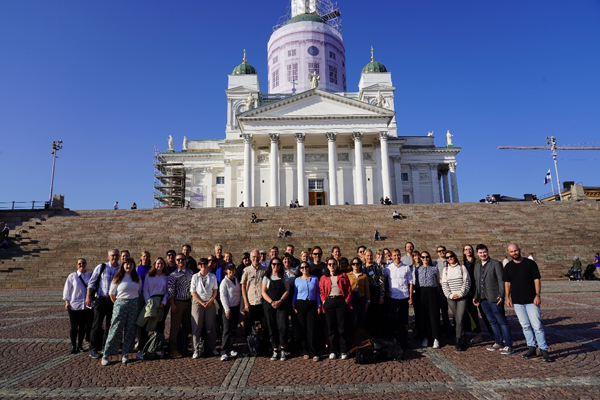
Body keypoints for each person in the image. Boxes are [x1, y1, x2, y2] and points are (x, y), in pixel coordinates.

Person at [504, 244, 553, 362]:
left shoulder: (530, 264)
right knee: (525, 326)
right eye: (511, 251)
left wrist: (538, 295)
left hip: (531, 300)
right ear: (509, 253)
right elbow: (507, 283)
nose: (514, 253)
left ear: (519, 250)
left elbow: (537, 280)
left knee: (537, 326)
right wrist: (507, 297)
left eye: (515, 250)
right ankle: (531, 348)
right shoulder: (508, 266)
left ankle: (543, 349)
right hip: (517, 301)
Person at [473, 244, 514, 355]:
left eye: (484, 252)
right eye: (480, 253)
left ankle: (509, 345)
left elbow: (501, 280)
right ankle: (498, 342)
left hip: (494, 298)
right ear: (477, 254)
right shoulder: (477, 266)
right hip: (482, 299)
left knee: (502, 321)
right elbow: (477, 283)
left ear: (488, 252)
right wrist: (475, 296)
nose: (483, 254)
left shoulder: (496, 263)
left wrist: (502, 295)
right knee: (492, 321)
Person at [101, 258, 141, 365]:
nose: (129, 266)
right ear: (123, 266)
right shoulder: (118, 277)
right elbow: (111, 294)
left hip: (133, 304)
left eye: (131, 264)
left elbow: (139, 291)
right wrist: (118, 303)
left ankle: (125, 353)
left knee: (130, 330)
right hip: (120, 303)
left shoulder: (137, 278)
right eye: (127, 264)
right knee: (115, 329)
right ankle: (107, 354)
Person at [86, 249, 120, 359]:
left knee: (110, 325)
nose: (114, 257)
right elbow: (91, 282)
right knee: (97, 324)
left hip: (113, 300)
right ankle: (93, 348)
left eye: (116, 255)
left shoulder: (121, 269)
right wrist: (88, 296)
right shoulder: (102, 267)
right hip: (101, 299)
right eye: (112, 255)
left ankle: (106, 347)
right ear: (108, 256)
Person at [319, 256, 352, 360]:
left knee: (342, 327)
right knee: (331, 327)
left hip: (341, 301)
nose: (332, 266)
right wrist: (324, 300)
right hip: (329, 301)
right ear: (327, 266)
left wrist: (346, 300)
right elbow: (321, 290)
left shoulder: (343, 275)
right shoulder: (324, 277)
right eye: (330, 264)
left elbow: (349, 289)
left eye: (333, 264)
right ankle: (333, 350)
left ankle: (343, 350)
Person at [137, 257, 169, 357]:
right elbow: (145, 289)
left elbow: (168, 291)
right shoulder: (149, 276)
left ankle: (157, 348)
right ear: (155, 265)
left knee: (159, 324)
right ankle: (141, 348)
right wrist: (148, 302)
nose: (160, 265)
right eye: (158, 263)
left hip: (161, 301)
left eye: (162, 264)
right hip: (150, 301)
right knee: (145, 323)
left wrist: (163, 302)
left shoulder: (166, 277)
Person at [261, 256, 290, 361]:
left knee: (283, 326)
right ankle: (274, 349)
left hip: (281, 304)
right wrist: (272, 302)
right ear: (271, 265)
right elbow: (263, 291)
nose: (276, 266)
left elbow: (287, 290)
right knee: (271, 326)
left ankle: (283, 348)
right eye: (274, 264)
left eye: (278, 264)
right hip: (269, 305)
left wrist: (280, 301)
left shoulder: (284, 276)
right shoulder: (267, 277)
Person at [442, 250, 470, 351]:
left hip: (462, 296)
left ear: (455, 256)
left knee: (460, 318)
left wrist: (460, 293)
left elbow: (467, 282)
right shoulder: (445, 270)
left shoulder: (462, 268)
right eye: (447, 258)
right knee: (458, 319)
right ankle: (463, 337)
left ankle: (458, 340)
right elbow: (445, 285)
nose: (450, 259)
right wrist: (450, 295)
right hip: (451, 298)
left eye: (451, 256)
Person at [384, 249, 413, 349]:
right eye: (394, 255)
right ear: (391, 257)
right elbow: (382, 281)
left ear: (400, 255)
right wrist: (385, 292)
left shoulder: (406, 268)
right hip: (393, 297)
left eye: (398, 255)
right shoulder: (387, 268)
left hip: (404, 296)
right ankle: (392, 340)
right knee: (392, 319)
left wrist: (410, 297)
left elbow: (410, 282)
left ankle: (403, 341)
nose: (396, 257)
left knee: (404, 320)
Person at [190, 258, 219, 358]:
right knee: (196, 325)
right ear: (198, 266)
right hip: (198, 302)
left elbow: (215, 290)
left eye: (205, 264)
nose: (203, 266)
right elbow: (193, 292)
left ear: (208, 265)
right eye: (201, 264)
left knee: (210, 326)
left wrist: (209, 301)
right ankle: (196, 349)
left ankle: (212, 347)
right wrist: (201, 302)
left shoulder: (212, 276)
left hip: (210, 302)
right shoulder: (195, 277)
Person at [167, 253, 194, 358]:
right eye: (178, 260)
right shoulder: (173, 275)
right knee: (175, 327)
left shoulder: (190, 273)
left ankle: (183, 346)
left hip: (188, 303)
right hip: (178, 303)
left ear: (185, 260)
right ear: (176, 262)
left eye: (182, 259)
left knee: (186, 327)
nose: (180, 261)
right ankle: (172, 349)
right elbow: (170, 291)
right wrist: (173, 305)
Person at [293, 261, 321, 361]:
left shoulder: (315, 279)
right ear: (300, 269)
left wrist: (319, 305)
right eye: (302, 267)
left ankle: (313, 351)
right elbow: (295, 293)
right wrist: (293, 304)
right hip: (300, 304)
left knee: (311, 328)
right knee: (302, 328)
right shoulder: (297, 280)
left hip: (312, 304)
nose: (304, 269)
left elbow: (317, 293)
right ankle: (305, 350)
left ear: (309, 268)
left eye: (306, 267)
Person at [63, 258, 92, 354]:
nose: (81, 265)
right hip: (74, 305)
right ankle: (73, 346)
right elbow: (67, 290)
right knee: (74, 326)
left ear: (86, 264)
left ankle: (80, 345)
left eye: (83, 263)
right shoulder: (72, 276)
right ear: (77, 265)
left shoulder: (90, 275)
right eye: (79, 263)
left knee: (83, 326)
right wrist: (67, 302)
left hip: (85, 305)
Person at [462, 244, 490, 344]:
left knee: (485, 312)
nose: (468, 251)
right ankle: (478, 334)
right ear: (464, 252)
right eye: (466, 249)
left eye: (470, 249)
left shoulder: (477, 261)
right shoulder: (464, 263)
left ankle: (495, 332)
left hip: (479, 290)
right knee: (472, 314)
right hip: (469, 292)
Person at [416, 251, 440, 349]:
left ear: (429, 258)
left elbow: (438, 280)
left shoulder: (434, 268)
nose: (425, 259)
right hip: (421, 292)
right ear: (420, 258)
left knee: (434, 315)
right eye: (423, 257)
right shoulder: (418, 269)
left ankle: (436, 338)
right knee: (423, 315)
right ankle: (425, 337)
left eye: (427, 257)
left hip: (432, 292)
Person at [241, 250, 267, 338]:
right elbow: (243, 286)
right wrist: (245, 302)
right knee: (249, 326)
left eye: (257, 257)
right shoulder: (246, 270)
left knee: (264, 325)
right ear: (251, 258)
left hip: (261, 301)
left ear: (260, 257)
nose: (255, 259)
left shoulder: (264, 269)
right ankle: (250, 346)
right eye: (254, 257)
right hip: (250, 302)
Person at [362, 249, 385, 338]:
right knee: (366, 314)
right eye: (367, 255)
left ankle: (376, 336)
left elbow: (381, 281)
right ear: (364, 256)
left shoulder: (377, 266)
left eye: (371, 255)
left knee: (376, 315)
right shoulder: (362, 266)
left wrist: (382, 296)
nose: (369, 257)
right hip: (365, 291)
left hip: (375, 291)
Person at [220, 263, 241, 361]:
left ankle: (230, 348)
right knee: (227, 330)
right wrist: (227, 310)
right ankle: (224, 351)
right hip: (228, 308)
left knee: (233, 329)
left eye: (233, 269)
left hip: (236, 307)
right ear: (226, 271)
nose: (231, 271)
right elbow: (223, 297)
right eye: (229, 270)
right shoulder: (224, 282)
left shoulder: (236, 280)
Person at [348, 257, 370, 338]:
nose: (355, 265)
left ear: (360, 265)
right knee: (352, 317)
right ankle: (353, 336)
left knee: (362, 317)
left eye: (357, 264)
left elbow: (367, 288)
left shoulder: (364, 276)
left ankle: (361, 335)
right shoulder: (348, 275)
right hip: (352, 297)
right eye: (353, 264)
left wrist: (368, 301)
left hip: (361, 297)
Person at [434, 245, 452, 336]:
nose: (441, 252)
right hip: (439, 288)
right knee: (442, 308)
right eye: (439, 251)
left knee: (451, 308)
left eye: (443, 250)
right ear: (437, 253)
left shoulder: (450, 260)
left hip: (451, 287)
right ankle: (441, 328)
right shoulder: (435, 263)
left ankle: (449, 328)